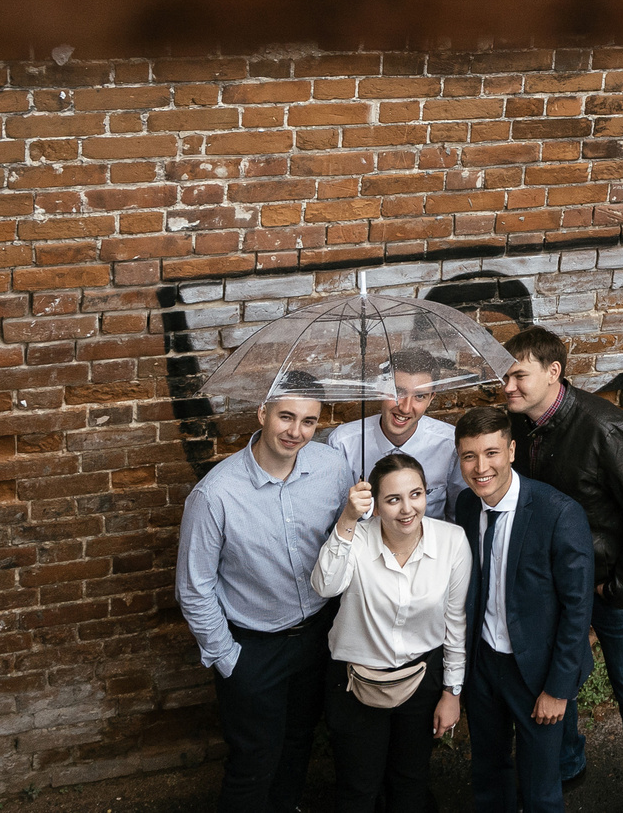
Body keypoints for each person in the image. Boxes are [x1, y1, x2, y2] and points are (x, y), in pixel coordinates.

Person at [501, 326, 623, 810]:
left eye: (518, 376)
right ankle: (568, 764)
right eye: (504, 378)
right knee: (561, 681)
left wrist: (618, 590)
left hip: (608, 585)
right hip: (556, 587)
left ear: (553, 372)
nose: (507, 387)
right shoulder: (517, 425)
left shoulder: (606, 428)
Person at [176, 372, 356, 813]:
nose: (297, 431)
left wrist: (356, 515)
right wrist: (228, 659)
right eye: (286, 417)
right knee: (253, 763)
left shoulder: (332, 467)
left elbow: (346, 543)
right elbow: (194, 588)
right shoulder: (215, 494)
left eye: (309, 421)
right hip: (253, 648)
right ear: (263, 413)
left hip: (317, 637)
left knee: (298, 745)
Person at [451, 403, 594, 813]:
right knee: (488, 773)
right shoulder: (466, 506)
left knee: (540, 787)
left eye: (491, 453)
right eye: (469, 456)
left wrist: (558, 689)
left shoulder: (558, 513)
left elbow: (577, 609)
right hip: (483, 663)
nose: (481, 467)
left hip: (536, 671)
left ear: (511, 451)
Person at [315, 451, 471, 813]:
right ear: (375, 505)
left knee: (410, 783)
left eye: (416, 494)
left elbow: (455, 623)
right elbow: (324, 585)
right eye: (393, 499)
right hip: (354, 682)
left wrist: (452, 692)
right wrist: (347, 518)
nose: (407, 509)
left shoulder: (452, 541)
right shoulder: (355, 537)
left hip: (421, 680)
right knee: (358, 788)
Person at [328, 348, 462, 518]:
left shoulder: (450, 444)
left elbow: (458, 515)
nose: (405, 408)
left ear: (431, 399)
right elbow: (335, 517)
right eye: (398, 392)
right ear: (380, 388)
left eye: (420, 396)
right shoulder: (343, 443)